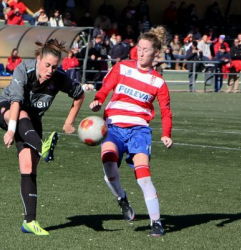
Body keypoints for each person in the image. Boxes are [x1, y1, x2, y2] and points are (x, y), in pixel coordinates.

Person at [0, 38, 85, 236]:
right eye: (47, 65)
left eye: (54, 66)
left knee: (29, 168)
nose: (50, 70)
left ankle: (29, 222)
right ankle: (43, 147)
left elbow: (79, 95)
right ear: (38, 59)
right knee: (22, 114)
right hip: (7, 110)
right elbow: (16, 103)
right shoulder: (23, 70)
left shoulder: (59, 77)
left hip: (32, 124)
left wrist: (69, 122)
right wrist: (10, 130)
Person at [89, 26, 172, 237]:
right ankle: (122, 199)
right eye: (139, 48)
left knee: (143, 176)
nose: (141, 53)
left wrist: (166, 133)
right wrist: (98, 100)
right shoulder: (122, 67)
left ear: (155, 53)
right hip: (114, 128)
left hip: (139, 131)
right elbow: (106, 86)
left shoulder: (158, 82)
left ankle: (156, 222)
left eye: (146, 50)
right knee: (108, 167)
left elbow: (166, 111)